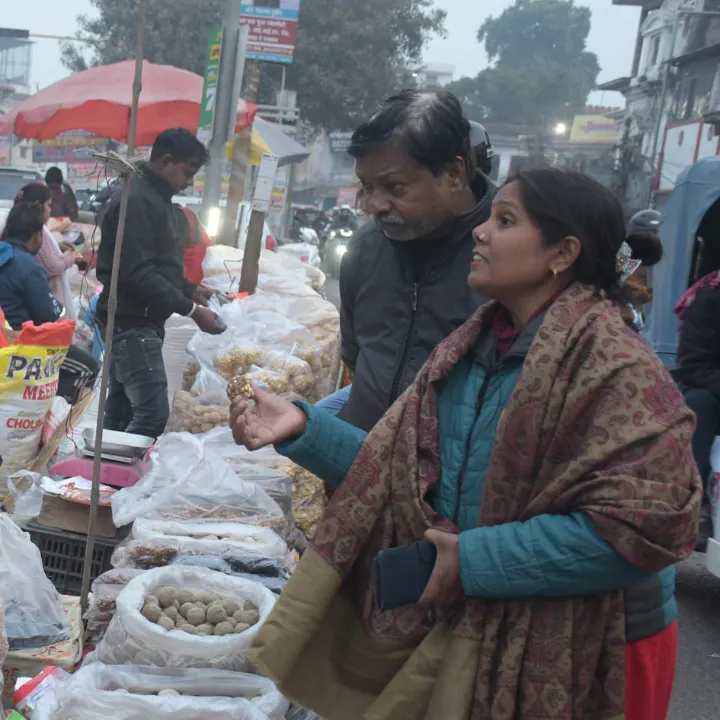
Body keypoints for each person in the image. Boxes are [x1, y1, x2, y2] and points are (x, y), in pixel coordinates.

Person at [237, 168, 698, 720]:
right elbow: (400, 472)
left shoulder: (620, 369)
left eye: (505, 221)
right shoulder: (470, 349)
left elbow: (644, 528)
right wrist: (304, 429)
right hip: (476, 622)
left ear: (563, 252)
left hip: (596, 642)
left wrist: (476, 559)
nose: (480, 233)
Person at [335, 90, 496, 431]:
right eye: (367, 186)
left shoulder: (510, 253)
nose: (374, 204)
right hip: (360, 464)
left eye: (395, 187)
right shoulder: (365, 249)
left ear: (453, 173)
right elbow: (356, 357)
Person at [97, 128, 225, 437]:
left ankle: (104, 480)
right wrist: (192, 310)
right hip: (130, 321)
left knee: (120, 414)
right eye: (187, 173)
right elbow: (137, 273)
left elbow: (158, 265)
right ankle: (111, 478)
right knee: (152, 415)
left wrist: (190, 289)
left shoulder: (156, 198)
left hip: (140, 319)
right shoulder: (138, 200)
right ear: (166, 161)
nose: (189, 182)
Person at [0, 195, 99, 404]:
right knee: (87, 368)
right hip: (15, 346)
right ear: (37, 236)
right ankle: (51, 423)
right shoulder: (27, 265)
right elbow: (48, 316)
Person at [675, 268, 720, 528]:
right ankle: (692, 500)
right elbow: (694, 366)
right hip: (713, 391)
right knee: (698, 404)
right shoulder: (710, 296)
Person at [19, 183, 81, 315]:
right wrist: (72, 256)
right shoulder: (36, 229)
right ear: (38, 204)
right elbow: (53, 266)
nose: (50, 210)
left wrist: (56, 248)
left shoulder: (23, 223)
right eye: (48, 205)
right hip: (46, 297)